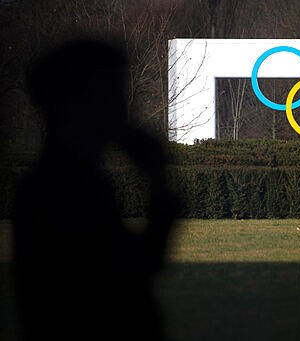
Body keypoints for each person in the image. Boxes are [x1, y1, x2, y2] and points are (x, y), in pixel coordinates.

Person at [12, 38, 177, 341]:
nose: (124, 107)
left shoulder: (61, 177)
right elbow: (128, 275)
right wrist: (158, 182)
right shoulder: (71, 185)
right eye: (114, 93)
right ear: (83, 101)